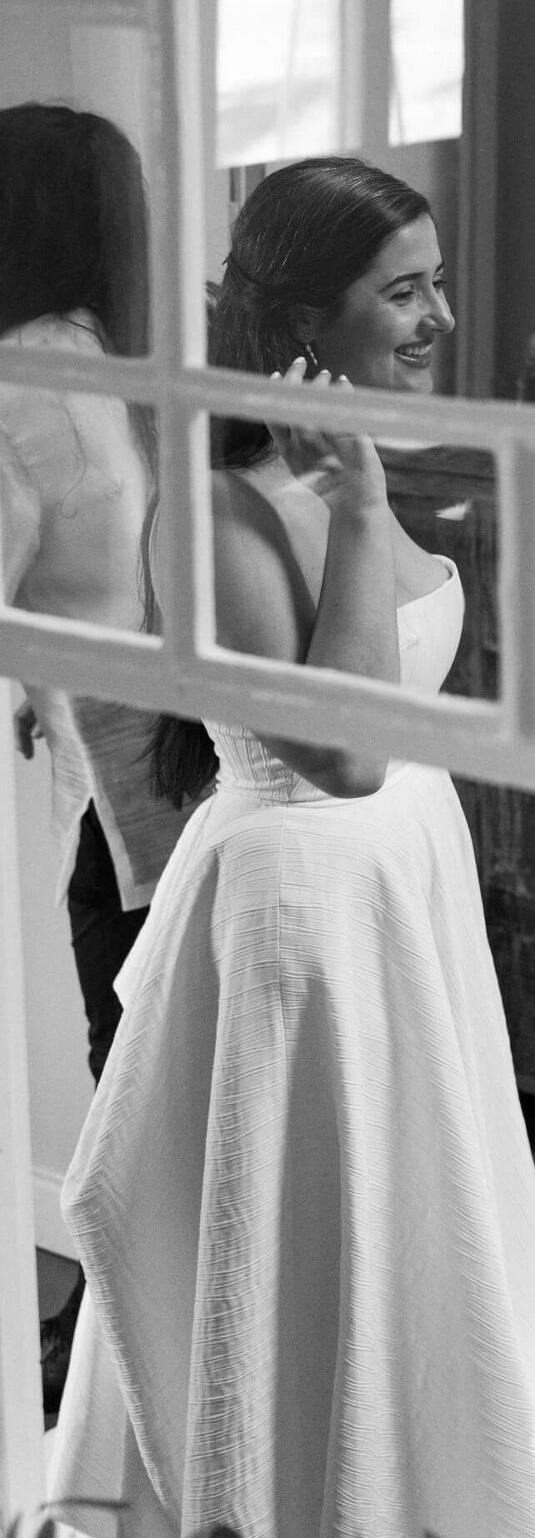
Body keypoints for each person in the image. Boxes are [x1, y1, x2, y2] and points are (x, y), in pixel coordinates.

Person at [49, 154, 535, 1538]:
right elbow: (348, 751)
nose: (436, 319)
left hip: (397, 893)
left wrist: (360, 490)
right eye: (405, 292)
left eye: (436, 287)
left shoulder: (338, 458)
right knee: (318, 1244)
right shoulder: (225, 504)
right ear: (308, 318)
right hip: (300, 912)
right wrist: (361, 509)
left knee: (419, 1225)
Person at [0, 102, 188, 1410]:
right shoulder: (134, 358)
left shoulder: (16, 380)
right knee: (180, 1096)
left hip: (122, 816)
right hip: (192, 780)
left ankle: (131, 1404)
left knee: (131, 1118)